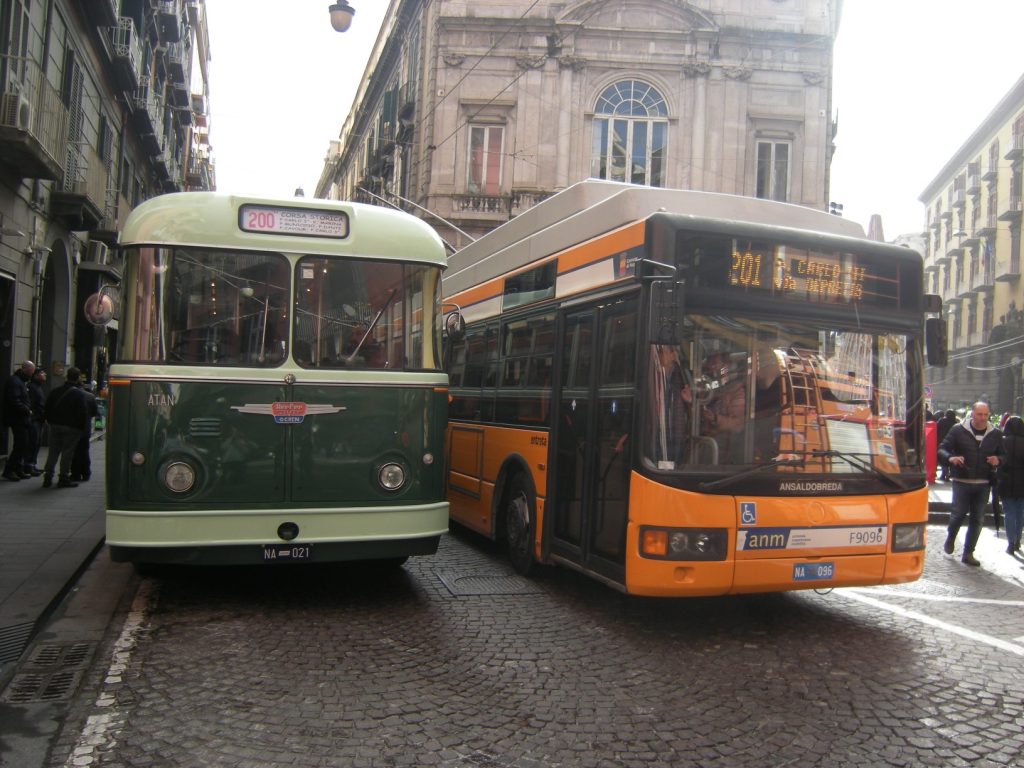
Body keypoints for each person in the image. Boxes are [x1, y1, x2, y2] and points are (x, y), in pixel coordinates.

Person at [938, 401, 1005, 566]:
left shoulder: (995, 433)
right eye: (979, 414)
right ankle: (951, 537)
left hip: (983, 482)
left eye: (985, 415)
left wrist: (999, 460)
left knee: (978, 519)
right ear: (972, 414)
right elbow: (942, 449)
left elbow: (1004, 455)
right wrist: (950, 458)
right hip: (962, 480)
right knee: (958, 515)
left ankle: (968, 553)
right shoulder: (958, 430)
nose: (982, 418)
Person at [41, 367, 90, 489]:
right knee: (67, 452)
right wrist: (82, 428)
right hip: (72, 428)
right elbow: (82, 412)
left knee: (53, 451)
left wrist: (50, 421)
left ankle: (48, 476)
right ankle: (63, 477)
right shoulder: (79, 394)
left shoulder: (56, 391)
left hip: (56, 425)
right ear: (78, 378)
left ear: (66, 376)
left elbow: (47, 407)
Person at [2, 360, 36, 481]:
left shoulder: (19, 381)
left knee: (23, 444)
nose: (32, 374)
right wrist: (27, 410)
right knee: (20, 444)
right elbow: (14, 400)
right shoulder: (15, 381)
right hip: (17, 418)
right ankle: (9, 470)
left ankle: (17, 469)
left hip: (21, 418)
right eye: (31, 372)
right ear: (25, 370)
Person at [997, 415, 1024, 555]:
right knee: (1020, 512)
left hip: (1006, 481)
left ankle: (1010, 542)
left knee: (1009, 512)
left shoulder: (1003, 441)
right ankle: (1018, 538)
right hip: (1022, 483)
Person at [70, 378, 99, 481]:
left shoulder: (71, 395)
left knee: (74, 451)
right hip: (85, 428)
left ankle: (75, 473)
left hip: (72, 427)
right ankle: (86, 473)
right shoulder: (90, 396)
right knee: (84, 451)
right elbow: (95, 412)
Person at [25, 367, 47, 476]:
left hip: (39, 419)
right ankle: (28, 465)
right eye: (42, 373)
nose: (45, 375)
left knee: (37, 442)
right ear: (36, 375)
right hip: (35, 420)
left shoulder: (38, 387)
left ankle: (32, 464)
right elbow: (32, 404)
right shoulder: (32, 387)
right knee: (33, 442)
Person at [935, 409, 957, 480]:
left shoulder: (942, 421)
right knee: (950, 458)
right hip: (952, 443)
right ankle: (948, 474)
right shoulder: (955, 423)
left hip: (942, 442)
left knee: (943, 458)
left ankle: (944, 474)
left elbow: (936, 428)